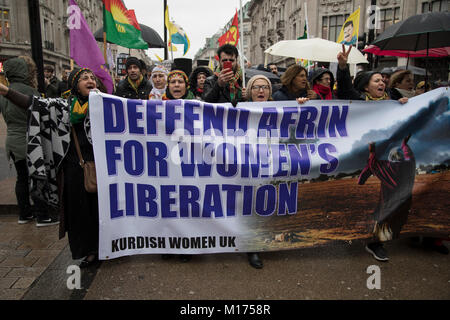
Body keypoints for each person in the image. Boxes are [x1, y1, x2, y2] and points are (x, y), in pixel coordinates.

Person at [0, 68, 102, 268]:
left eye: (92, 78)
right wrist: (6, 91)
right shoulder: (61, 107)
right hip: (74, 170)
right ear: (74, 84)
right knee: (79, 213)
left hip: (102, 168)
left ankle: (106, 248)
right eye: (84, 78)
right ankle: (89, 252)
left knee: (100, 211)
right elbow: (32, 104)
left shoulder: (105, 105)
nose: (90, 80)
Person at [0, 56, 53, 226]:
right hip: (30, 139)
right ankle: (42, 215)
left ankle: (24, 214)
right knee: (37, 176)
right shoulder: (30, 92)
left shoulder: (6, 90)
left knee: (21, 178)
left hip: (12, 140)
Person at [358, 135, 416, 261]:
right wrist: (404, 143)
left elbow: (373, 163)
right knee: (396, 225)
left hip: (389, 208)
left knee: (384, 226)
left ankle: (375, 244)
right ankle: (376, 243)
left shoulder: (389, 169)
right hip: (404, 207)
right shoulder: (409, 165)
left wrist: (372, 149)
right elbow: (409, 155)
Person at [336, 45, 409, 104]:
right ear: (366, 87)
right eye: (377, 81)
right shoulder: (358, 100)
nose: (382, 83)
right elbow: (345, 88)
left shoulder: (393, 97)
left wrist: (401, 104)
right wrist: (343, 66)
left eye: (382, 81)